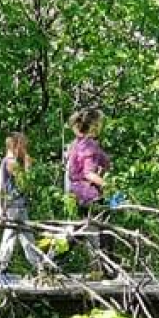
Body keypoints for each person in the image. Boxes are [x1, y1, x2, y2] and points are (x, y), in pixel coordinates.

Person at [0, 132, 52, 286]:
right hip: (14, 206)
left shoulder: (6, 161)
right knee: (10, 238)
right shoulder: (11, 162)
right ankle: (0, 271)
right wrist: (28, 166)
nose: (26, 148)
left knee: (27, 239)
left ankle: (39, 269)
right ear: (16, 145)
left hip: (18, 205)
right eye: (24, 145)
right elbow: (24, 183)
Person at [64, 108, 113, 278]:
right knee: (97, 232)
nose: (101, 126)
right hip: (88, 194)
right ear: (93, 125)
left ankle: (99, 270)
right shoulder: (88, 145)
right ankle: (105, 270)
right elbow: (88, 173)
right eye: (99, 123)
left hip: (78, 194)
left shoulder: (78, 143)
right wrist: (110, 187)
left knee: (86, 232)